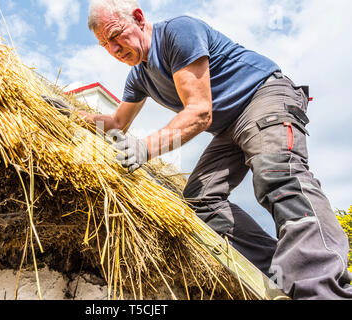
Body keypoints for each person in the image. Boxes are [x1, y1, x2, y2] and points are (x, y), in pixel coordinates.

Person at [75, 0, 352, 300]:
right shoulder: (139, 77)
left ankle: (322, 289)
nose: (114, 49)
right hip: (228, 128)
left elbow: (199, 112)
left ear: (139, 18)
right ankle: (283, 275)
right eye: (105, 45)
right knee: (200, 199)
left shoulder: (177, 33)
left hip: (263, 97)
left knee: (277, 176)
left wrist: (144, 148)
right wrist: (72, 116)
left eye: (116, 35)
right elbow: (117, 122)